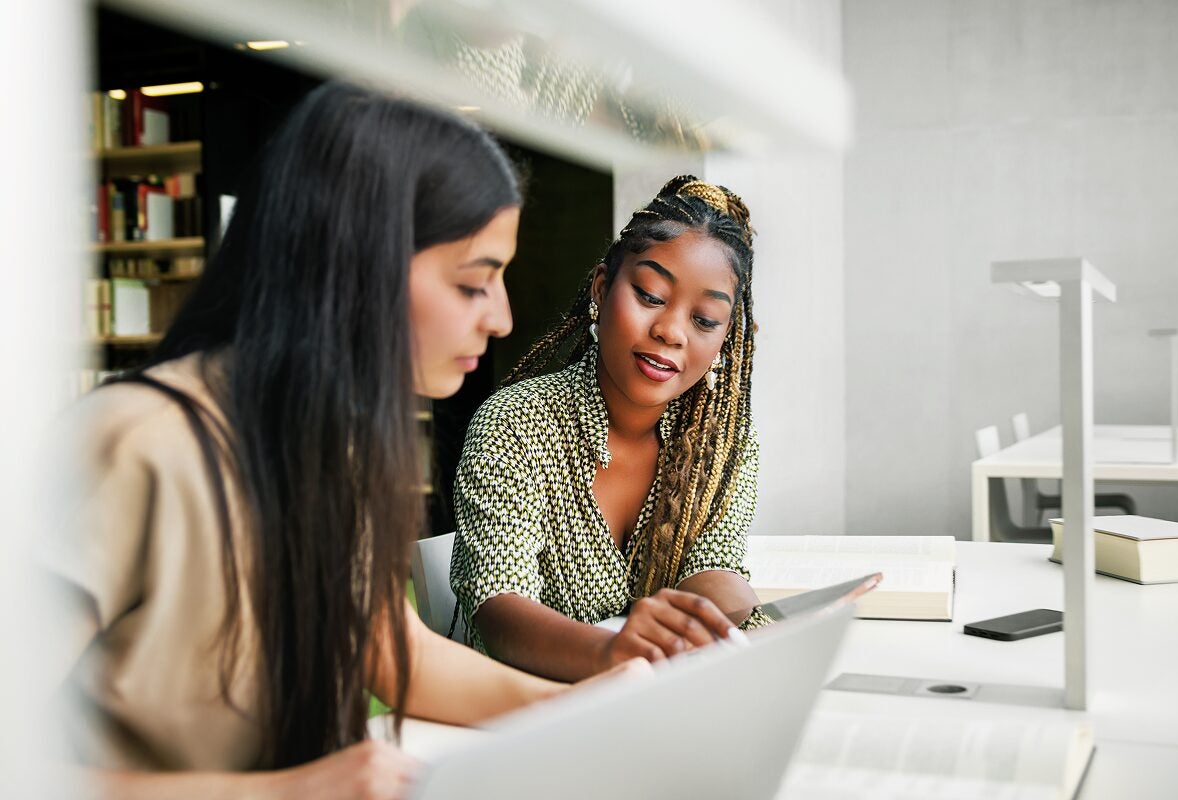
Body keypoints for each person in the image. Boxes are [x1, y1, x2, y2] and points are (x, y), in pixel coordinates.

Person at [40, 81, 638, 799]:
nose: (503, 318)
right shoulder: (130, 443)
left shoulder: (331, 446)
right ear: (357, 268)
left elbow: (391, 647)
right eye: (474, 282)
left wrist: (582, 703)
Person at [450, 175, 771, 682]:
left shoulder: (724, 450)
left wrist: (751, 623)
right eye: (650, 295)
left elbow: (713, 568)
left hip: (651, 720)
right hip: (521, 719)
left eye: (706, 320)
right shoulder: (517, 423)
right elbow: (499, 610)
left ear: (726, 337)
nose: (671, 331)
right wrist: (614, 651)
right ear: (602, 289)